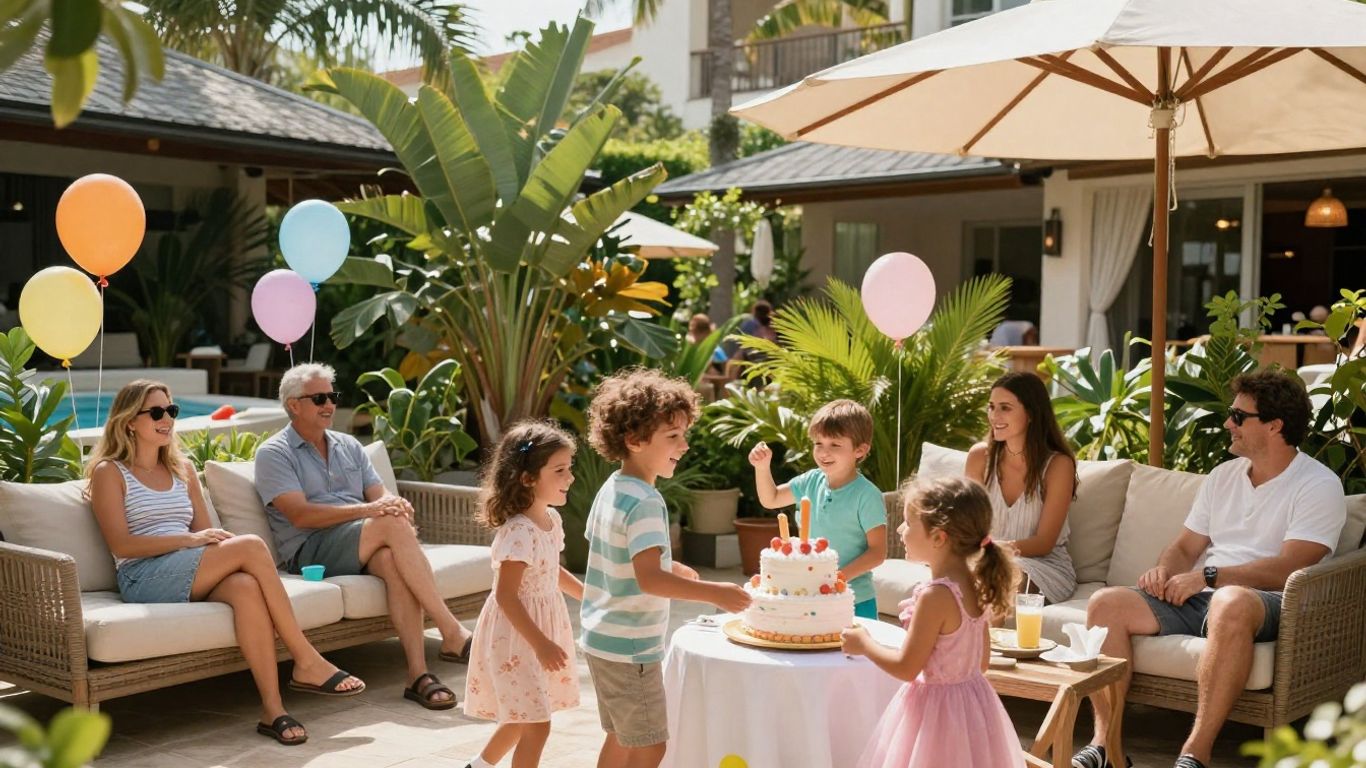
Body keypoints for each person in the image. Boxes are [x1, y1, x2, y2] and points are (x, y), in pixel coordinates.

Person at [1074, 370, 1346, 768]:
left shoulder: (1318, 485)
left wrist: (1209, 577)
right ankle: (1106, 748)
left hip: (1268, 601)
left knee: (1231, 602)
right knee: (1105, 604)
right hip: (1205, 596)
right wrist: (1165, 571)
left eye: (1238, 416)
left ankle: (1194, 753)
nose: (1227, 423)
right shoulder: (1223, 476)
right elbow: (1186, 546)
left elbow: (1292, 566)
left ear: (1274, 425)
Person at [88, 379, 364, 747]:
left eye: (171, 410)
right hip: (142, 575)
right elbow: (122, 544)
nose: (166, 418)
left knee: (247, 587)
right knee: (250, 546)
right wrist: (192, 540)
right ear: (128, 422)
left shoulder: (181, 469)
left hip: (188, 565)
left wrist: (217, 543)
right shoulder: (110, 471)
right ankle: (306, 658)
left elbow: (207, 532)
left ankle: (273, 710)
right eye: (156, 412)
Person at [254, 363, 474, 711]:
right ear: (293, 405)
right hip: (311, 549)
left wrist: (392, 504)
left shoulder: (348, 445)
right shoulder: (274, 453)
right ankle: (451, 631)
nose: (329, 404)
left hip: (359, 539)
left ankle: (418, 675)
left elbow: (379, 492)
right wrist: (375, 512)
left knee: (391, 558)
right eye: (320, 398)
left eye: (333, 396)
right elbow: (301, 514)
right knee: (389, 524)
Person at [581, 368, 752, 768]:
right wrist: (717, 593)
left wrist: (667, 562)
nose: (685, 445)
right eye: (672, 437)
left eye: (684, 434)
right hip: (631, 648)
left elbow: (615, 552)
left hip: (601, 639)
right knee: (651, 744)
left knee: (622, 737)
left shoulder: (613, 488)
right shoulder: (645, 501)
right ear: (635, 440)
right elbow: (648, 579)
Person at [842, 475, 1023, 768]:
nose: (900, 530)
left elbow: (906, 667)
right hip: (973, 711)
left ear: (939, 538)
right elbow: (982, 663)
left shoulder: (935, 596)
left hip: (934, 715)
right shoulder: (976, 586)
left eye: (908, 523)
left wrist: (865, 644)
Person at [462, 421, 585, 768]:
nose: (570, 478)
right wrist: (541, 643)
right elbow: (506, 597)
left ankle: (478, 766)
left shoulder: (550, 521)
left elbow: (550, 570)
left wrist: (587, 595)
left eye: (569, 468)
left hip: (537, 631)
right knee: (536, 723)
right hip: (516, 637)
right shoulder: (517, 532)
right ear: (528, 478)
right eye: (560, 470)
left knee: (522, 716)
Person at [750, 399, 888, 619]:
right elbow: (772, 498)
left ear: (860, 451)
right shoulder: (810, 481)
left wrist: (836, 578)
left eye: (835, 445)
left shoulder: (867, 495)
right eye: (818, 444)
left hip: (855, 601)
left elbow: (877, 553)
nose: (824, 452)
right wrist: (762, 468)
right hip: (811, 598)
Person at [964, 371, 1078, 606]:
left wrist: (991, 550)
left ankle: (983, 643)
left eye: (1005, 407)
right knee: (958, 579)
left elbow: (1044, 542)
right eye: (991, 406)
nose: (994, 416)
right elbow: (967, 523)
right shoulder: (979, 458)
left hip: (1042, 567)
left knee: (997, 577)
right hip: (985, 559)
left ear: (1031, 413)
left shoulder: (1058, 466)